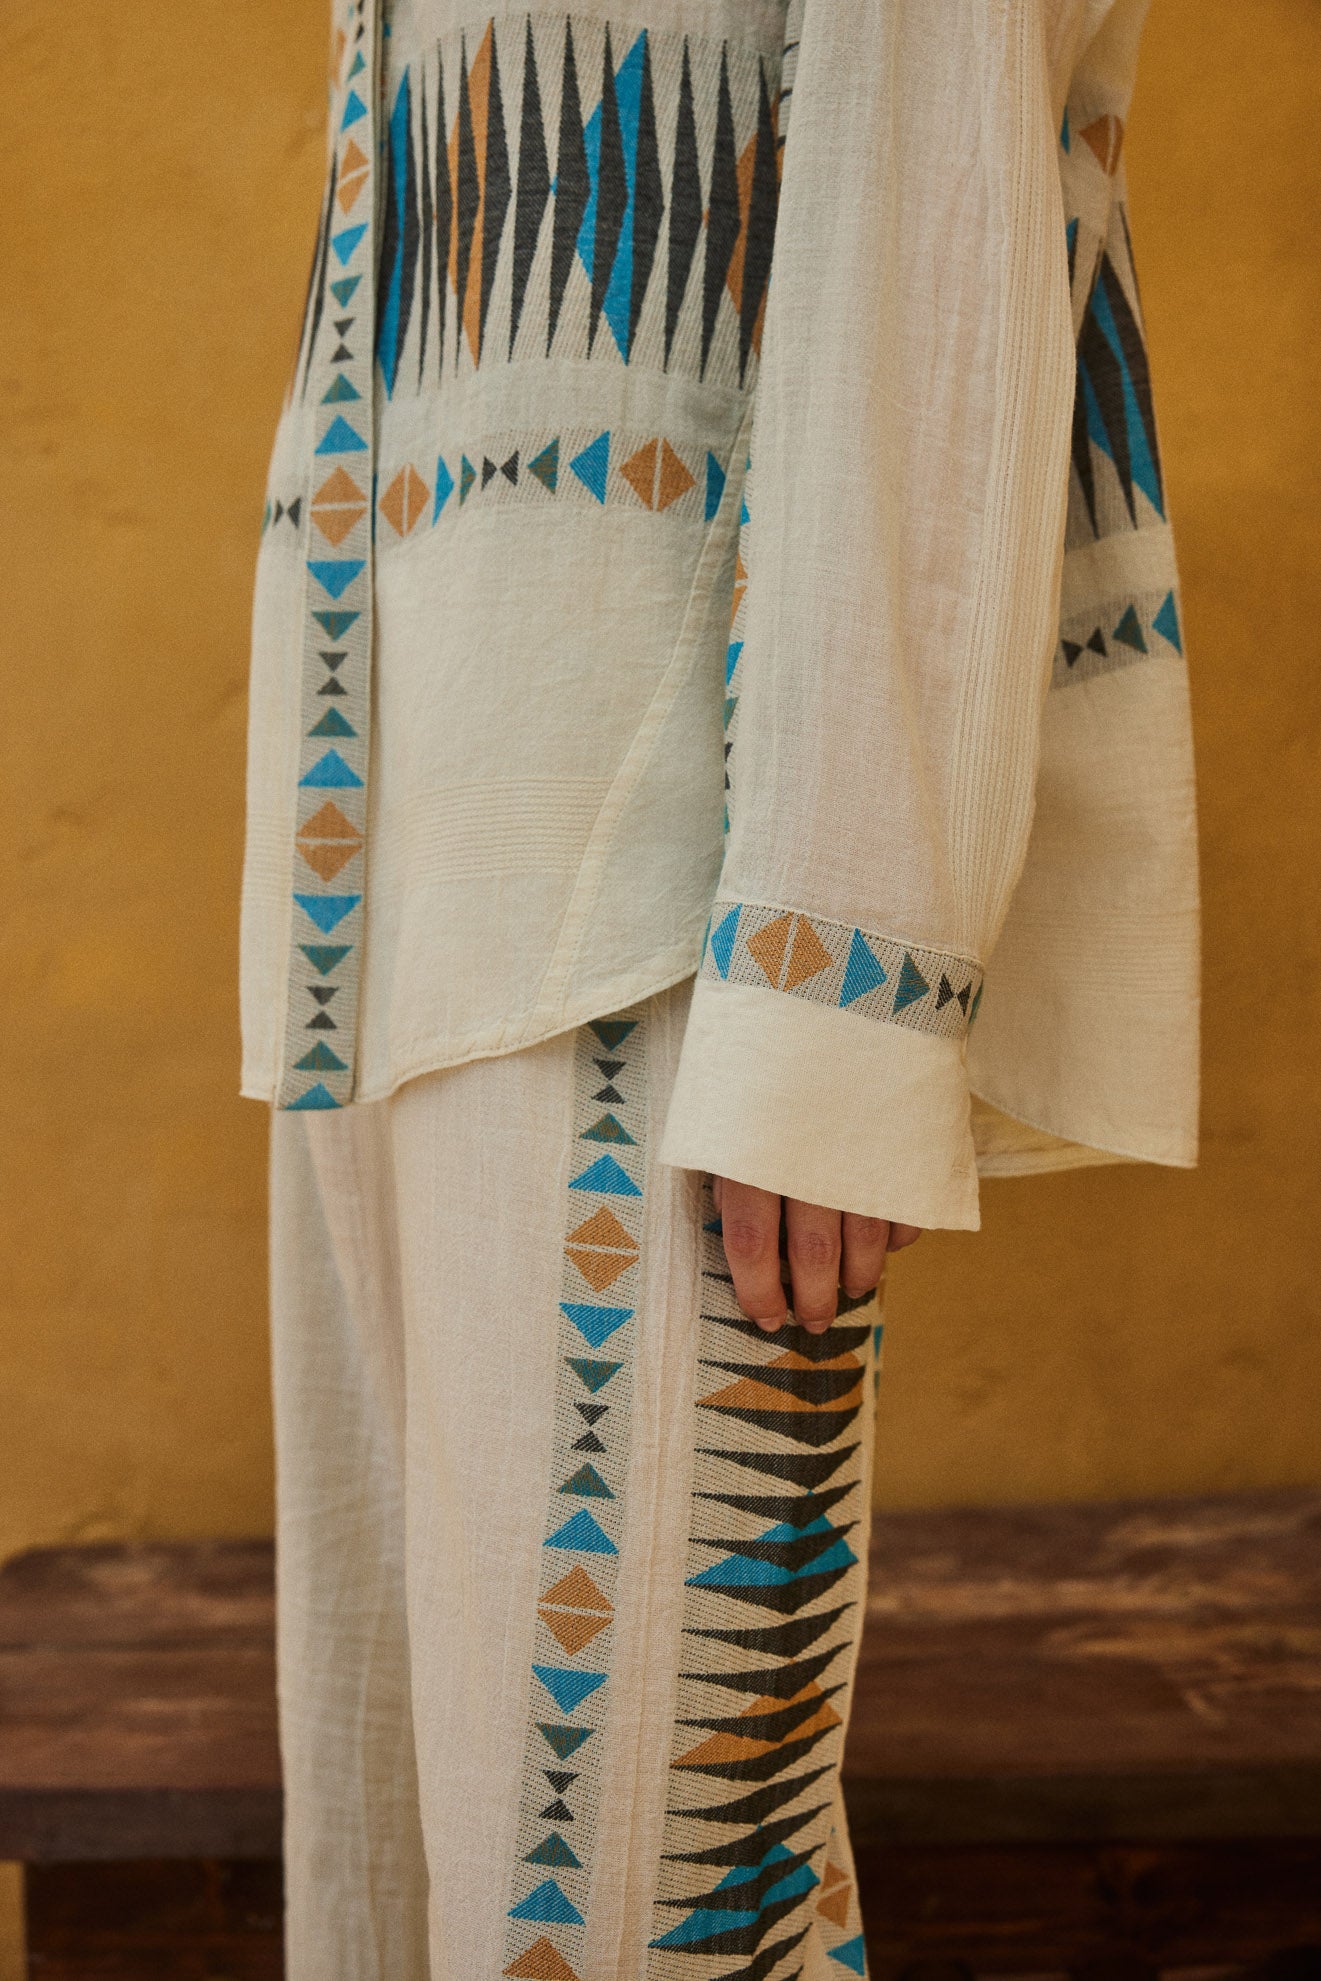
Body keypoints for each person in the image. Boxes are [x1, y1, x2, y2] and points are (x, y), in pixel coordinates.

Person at [238, 0, 1200, 1972]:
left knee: (634, 1906)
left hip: (657, 927)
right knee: (407, 1857)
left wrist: (831, 976)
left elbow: (931, 231)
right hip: (378, 895)